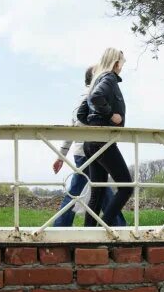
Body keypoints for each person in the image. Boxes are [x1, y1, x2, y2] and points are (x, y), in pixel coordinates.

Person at [53, 67, 126, 227]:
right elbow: (77, 126)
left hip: (83, 150)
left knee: (98, 190)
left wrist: (61, 155)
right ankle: (118, 226)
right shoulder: (90, 96)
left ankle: (114, 225)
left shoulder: (82, 97)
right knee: (90, 190)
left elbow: (71, 129)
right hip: (90, 149)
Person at [82, 48, 132, 227]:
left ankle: (88, 235)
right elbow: (97, 97)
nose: (122, 67)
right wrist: (111, 115)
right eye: (122, 63)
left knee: (98, 191)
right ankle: (104, 226)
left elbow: (82, 113)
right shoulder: (109, 78)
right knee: (126, 187)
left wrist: (94, 121)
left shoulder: (96, 79)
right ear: (116, 63)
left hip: (90, 140)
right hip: (102, 141)